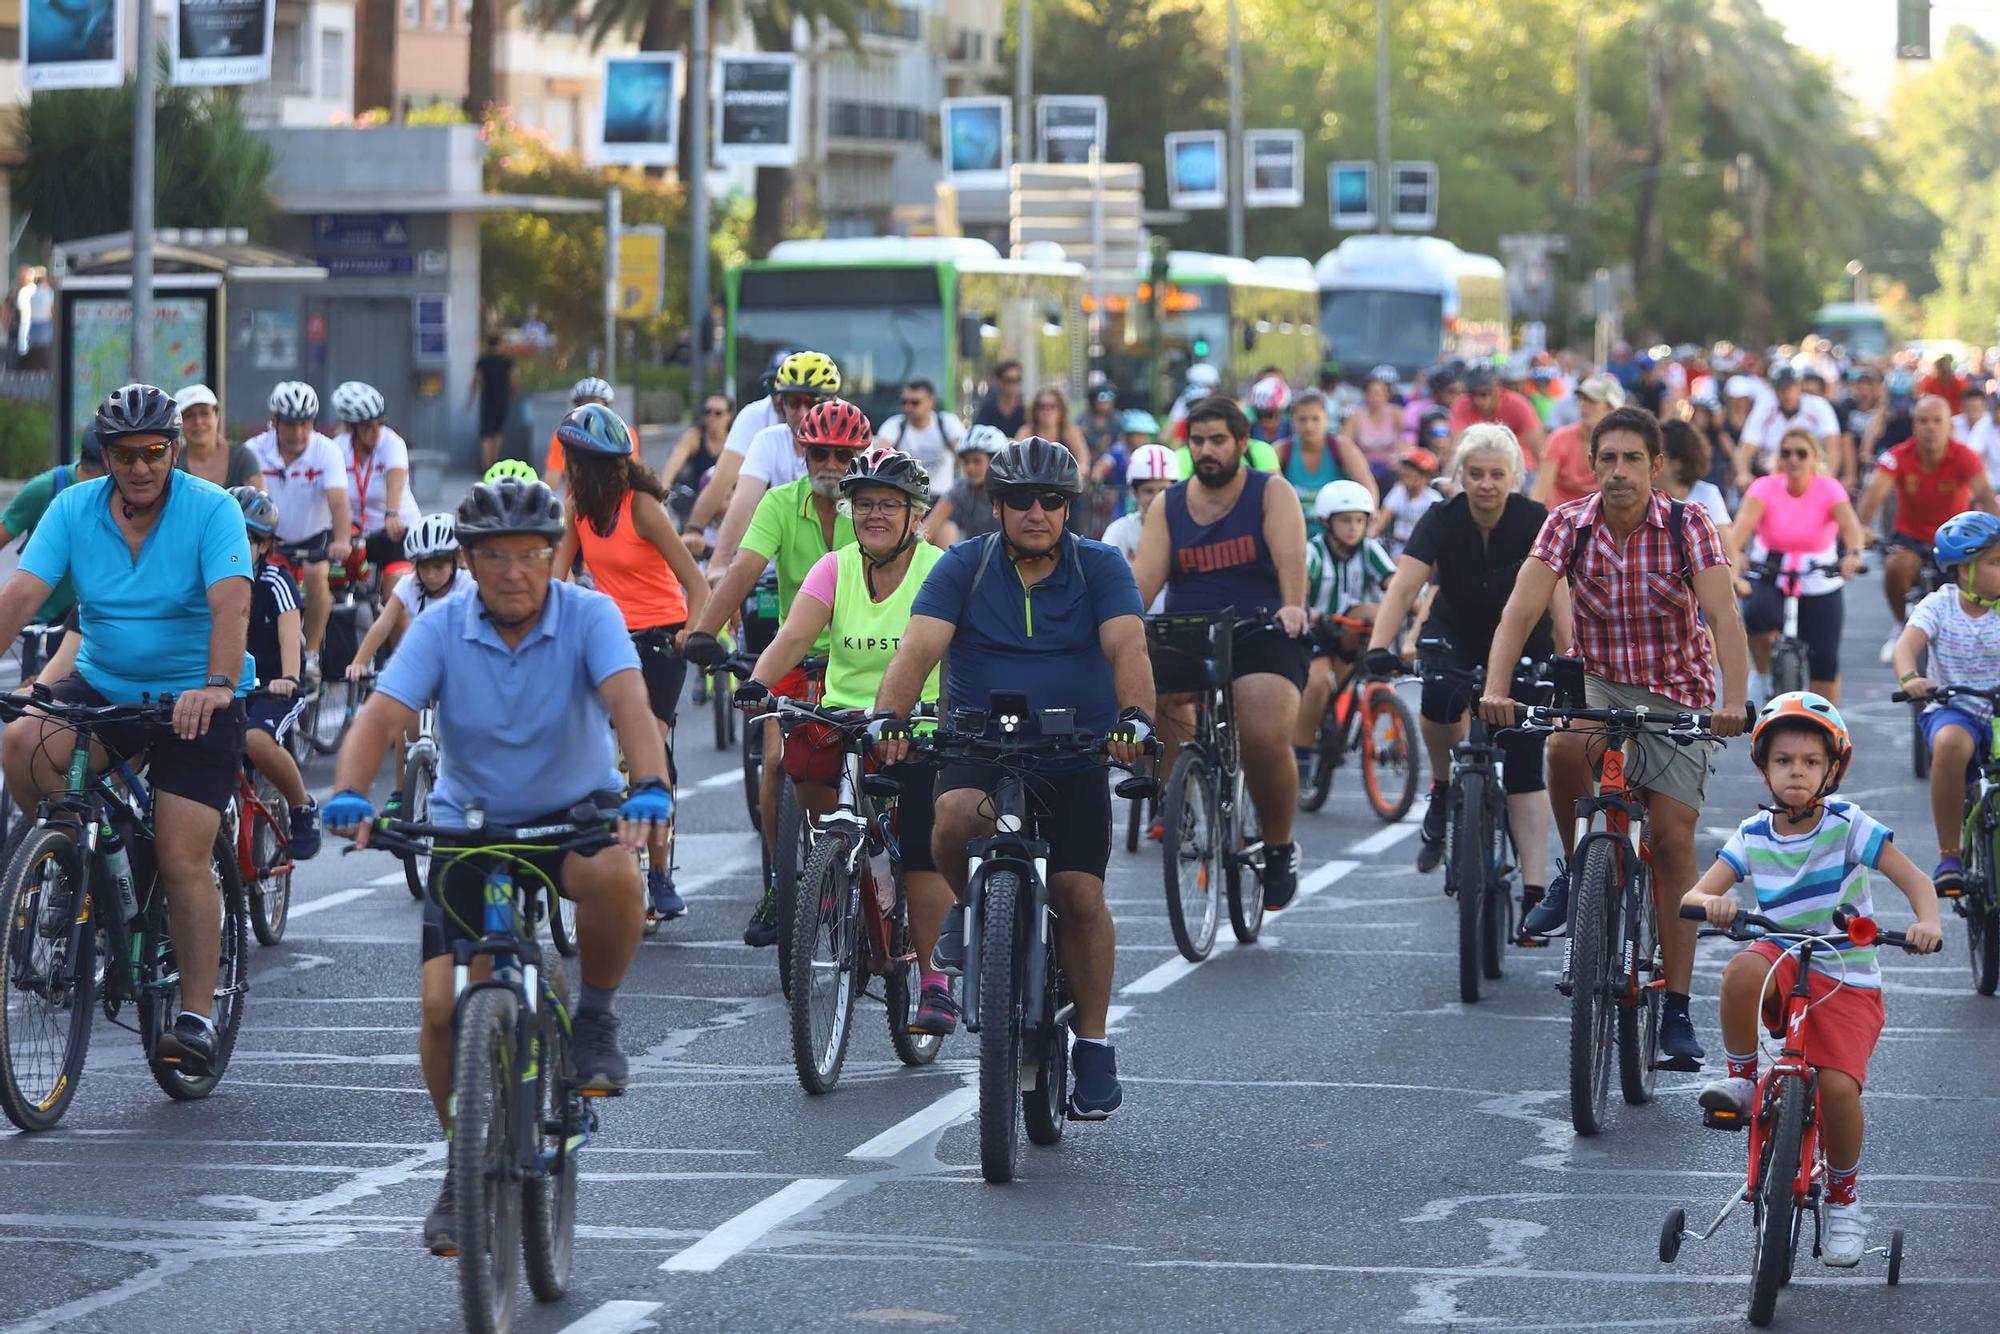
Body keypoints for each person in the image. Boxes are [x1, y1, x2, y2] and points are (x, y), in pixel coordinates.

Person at [325, 474, 670, 1256]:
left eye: (528, 554)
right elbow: (383, 716)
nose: (512, 571)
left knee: (618, 875)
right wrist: (349, 792)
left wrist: (647, 787)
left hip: (573, 815)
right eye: (493, 556)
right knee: (446, 1009)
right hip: (470, 830)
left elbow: (629, 705)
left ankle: (595, 1018)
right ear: (469, 562)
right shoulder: (442, 626)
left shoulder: (591, 615)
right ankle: (463, 1159)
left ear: (553, 556)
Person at [871, 436, 1156, 1120]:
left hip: (1076, 751)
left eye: (1052, 501)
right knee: (949, 819)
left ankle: (1091, 1042)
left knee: (1079, 896)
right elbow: (917, 650)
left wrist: (1136, 720)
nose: (1037, 512)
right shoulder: (963, 568)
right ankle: (973, 911)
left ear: (1070, 509)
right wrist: (890, 720)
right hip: (980, 745)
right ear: (995, 507)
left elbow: (1128, 646)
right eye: (1021, 500)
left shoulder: (1102, 568)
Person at [1480, 406, 1751, 1066]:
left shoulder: (1689, 525)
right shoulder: (1568, 523)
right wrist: (1496, 689)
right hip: (1598, 683)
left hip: (1676, 692)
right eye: (1608, 459)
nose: (1620, 472)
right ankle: (1577, 869)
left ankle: (1678, 1011)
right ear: (1591, 465)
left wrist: (1734, 702)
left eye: (1633, 460)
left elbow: (1724, 614)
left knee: (1674, 840)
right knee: (1563, 744)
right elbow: (1522, 607)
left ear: (1656, 468)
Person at [0, 384, 254, 1076]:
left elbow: (231, 608)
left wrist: (217, 686)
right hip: (107, 686)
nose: (140, 466)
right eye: (124, 453)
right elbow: (20, 596)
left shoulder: (213, 509)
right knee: (21, 739)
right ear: (104, 454)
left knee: (179, 855)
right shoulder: (73, 508)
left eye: (154, 451)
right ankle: (74, 861)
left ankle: (197, 1015)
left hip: (197, 698)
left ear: (174, 450)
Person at [1682, 692, 1941, 1268]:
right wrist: (1712, 904)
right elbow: (1696, 893)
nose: (1795, 771)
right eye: (1782, 761)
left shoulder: (1849, 826)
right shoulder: (1753, 834)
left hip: (1844, 971)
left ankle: (1845, 1199)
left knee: (1838, 1090)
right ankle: (1744, 1079)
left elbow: (1916, 880)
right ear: (1763, 768)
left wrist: (1927, 920)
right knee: (1739, 972)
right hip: (1780, 954)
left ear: (1832, 770)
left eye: (1809, 762)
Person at [740, 446, 957, 1031]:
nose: (874, 515)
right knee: (803, 765)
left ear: (916, 515)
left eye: (890, 504)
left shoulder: (939, 570)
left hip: (919, 723)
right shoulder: (833, 567)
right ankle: (838, 876)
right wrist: (758, 683)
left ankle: (934, 978)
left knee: (919, 844)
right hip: (844, 720)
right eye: (864, 505)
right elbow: (792, 637)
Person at [682, 399, 864, 945]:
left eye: (843, 453)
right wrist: (703, 632)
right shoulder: (781, 503)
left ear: (858, 455)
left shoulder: (875, 509)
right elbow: (744, 567)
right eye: (819, 453)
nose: (831, 463)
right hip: (793, 650)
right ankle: (783, 880)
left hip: (858, 658)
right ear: (802, 453)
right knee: (778, 765)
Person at [1365, 424, 1567, 906]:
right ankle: (1440, 787)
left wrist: (1572, 656)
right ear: (1459, 475)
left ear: (1515, 477)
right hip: (1454, 630)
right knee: (1435, 693)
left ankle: (1535, 890)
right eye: (1475, 473)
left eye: (1497, 474)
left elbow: (1560, 593)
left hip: (1522, 640)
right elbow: (1404, 585)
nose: (1486, 484)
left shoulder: (1536, 518)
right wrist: (1379, 645)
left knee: (1523, 761)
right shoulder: (1440, 517)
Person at [1135, 395, 1309, 908]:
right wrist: (1120, 627)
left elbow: (1291, 559)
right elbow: (1143, 580)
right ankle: (1178, 796)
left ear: (1241, 444)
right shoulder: (1169, 504)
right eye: (1198, 442)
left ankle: (1278, 847)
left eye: (1218, 441)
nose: (1207, 451)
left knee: (1260, 734)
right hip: (1192, 631)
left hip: (1263, 631)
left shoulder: (1270, 492)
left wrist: (1294, 606)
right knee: (1154, 688)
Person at [550, 404, 709, 930]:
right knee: (597, 751)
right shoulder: (576, 507)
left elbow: (697, 584)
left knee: (647, 752)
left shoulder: (641, 507)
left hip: (663, 639)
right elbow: (557, 581)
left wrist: (692, 634)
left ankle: (659, 874)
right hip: (610, 639)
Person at [1891, 510, 2000, 894]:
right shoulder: (1941, 605)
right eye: (1995, 562)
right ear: (1964, 571)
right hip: (1956, 707)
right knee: (1951, 745)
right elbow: (1906, 647)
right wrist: (1911, 678)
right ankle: (1950, 854)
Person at [1726, 426, 1868, 703]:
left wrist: (1852, 554)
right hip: (1771, 569)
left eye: (1801, 454)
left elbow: (1851, 528)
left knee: (1825, 661)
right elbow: (1739, 530)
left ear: (1814, 458)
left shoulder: (1828, 487)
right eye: (1786, 453)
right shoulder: (1764, 486)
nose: (1793, 459)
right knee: (1755, 612)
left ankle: (1826, 724)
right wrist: (1737, 553)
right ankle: (1764, 673)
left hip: (1819, 574)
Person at [1856, 395, 1997, 662]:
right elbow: (1874, 494)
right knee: (1895, 566)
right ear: (1914, 426)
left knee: (1981, 582)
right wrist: (1860, 528)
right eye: (1922, 421)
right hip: (1910, 539)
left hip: (1956, 542)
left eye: (1936, 421)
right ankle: (1900, 625)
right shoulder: (1898, 456)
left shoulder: (1964, 456)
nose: (1930, 427)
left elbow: (1986, 498)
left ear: (1949, 426)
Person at [344, 514, 467, 809]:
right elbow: (383, 625)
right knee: (407, 721)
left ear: (455, 562)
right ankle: (401, 792)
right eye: (424, 567)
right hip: (424, 664)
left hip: (460, 665)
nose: (432, 575)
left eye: (439, 566)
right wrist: (359, 661)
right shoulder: (409, 586)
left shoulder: (469, 585)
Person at [230, 486, 320, 859]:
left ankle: (302, 807)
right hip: (225, 688)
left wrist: (289, 677)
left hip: (271, 689)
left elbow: (288, 634)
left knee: (257, 741)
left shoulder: (275, 582)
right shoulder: (206, 581)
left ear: (265, 546)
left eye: (246, 538)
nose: (233, 545)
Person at [694, 351, 842, 571]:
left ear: (833, 402)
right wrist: (720, 562)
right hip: (775, 559)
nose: (802, 412)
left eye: (812, 401)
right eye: (793, 401)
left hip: (837, 562)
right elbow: (743, 503)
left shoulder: (852, 437)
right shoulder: (767, 440)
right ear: (780, 402)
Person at [244, 382, 351, 675]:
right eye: (291, 425)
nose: (299, 433)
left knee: (318, 574)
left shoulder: (326, 450)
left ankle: (312, 652)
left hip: (314, 536)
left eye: (305, 424)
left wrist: (342, 540)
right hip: (271, 538)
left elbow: (339, 503)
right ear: (275, 422)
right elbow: (254, 497)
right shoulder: (254, 449)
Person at [1293, 480, 1393, 781]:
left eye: (1360, 521)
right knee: (1319, 683)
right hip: (1317, 630)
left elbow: (1396, 584)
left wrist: (1418, 606)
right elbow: (1299, 589)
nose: (1353, 527)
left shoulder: (1369, 549)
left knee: (1375, 612)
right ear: (1326, 522)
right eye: (1345, 520)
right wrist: (1305, 610)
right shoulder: (1314, 552)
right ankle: (1301, 753)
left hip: (1350, 630)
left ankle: (1375, 688)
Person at [0, 429, 108, 650]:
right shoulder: (44, 489)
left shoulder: (125, 496)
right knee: (32, 684)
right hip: (41, 621)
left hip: (88, 619)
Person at [679, 350, 796, 547]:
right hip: (764, 537)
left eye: (790, 393)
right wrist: (695, 529)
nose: (778, 398)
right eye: (773, 387)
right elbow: (724, 483)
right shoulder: (755, 418)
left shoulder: (835, 418)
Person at [331, 381, 421, 601]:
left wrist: (392, 514)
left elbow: (395, 480)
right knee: (330, 582)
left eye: (379, 424)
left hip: (396, 532)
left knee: (396, 590)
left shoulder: (392, 443)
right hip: (355, 536)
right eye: (367, 426)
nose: (376, 431)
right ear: (352, 427)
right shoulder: (337, 448)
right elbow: (331, 493)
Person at [1736, 364, 1846, 489]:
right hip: (1771, 475)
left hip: (1811, 475)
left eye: (1790, 387)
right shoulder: (1765, 406)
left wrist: (1827, 481)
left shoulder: (1819, 406)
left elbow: (1833, 447)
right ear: (1775, 390)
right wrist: (1743, 474)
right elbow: (1746, 447)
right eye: (1781, 388)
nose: (1787, 393)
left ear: (1799, 387)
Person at [1530, 373, 1623, 509]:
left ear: (1611, 407)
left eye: (1592, 401)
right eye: (1581, 399)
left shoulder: (1622, 445)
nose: (1583, 405)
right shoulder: (1560, 439)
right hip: (1562, 521)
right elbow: (1540, 491)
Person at [1273, 389, 1371, 509]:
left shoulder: (1342, 447)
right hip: (1293, 525)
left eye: (1315, 419)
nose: (1309, 426)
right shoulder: (1280, 451)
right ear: (1293, 421)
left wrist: (1370, 517)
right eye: (1302, 419)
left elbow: (1368, 485)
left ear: (1326, 419)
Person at [1018, 387, 1094, 531]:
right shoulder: (1026, 431)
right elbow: (1016, 461)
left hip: (1066, 494)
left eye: (1052, 406)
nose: (1047, 411)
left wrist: (1075, 476)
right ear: (1034, 410)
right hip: (1033, 494)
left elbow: (1084, 460)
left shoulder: (1071, 432)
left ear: (1061, 410)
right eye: (1042, 406)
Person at [1449, 362, 1544, 472]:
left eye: (1485, 393)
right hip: (1476, 465)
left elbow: (1538, 448)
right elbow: (1456, 446)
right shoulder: (1461, 405)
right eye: (1473, 393)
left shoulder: (1519, 405)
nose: (1478, 400)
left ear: (1497, 388)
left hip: (1517, 466)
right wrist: (1450, 476)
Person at [874, 378, 965, 493]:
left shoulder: (946, 422)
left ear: (931, 402)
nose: (908, 407)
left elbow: (964, 453)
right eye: (904, 402)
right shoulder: (895, 424)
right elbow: (878, 455)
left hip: (944, 498)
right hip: (910, 499)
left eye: (915, 403)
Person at [925, 424, 1004, 545]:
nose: (970, 468)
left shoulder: (1008, 491)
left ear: (995, 462)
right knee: (946, 526)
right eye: (966, 462)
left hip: (1008, 556)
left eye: (976, 461)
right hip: (976, 556)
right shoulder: (962, 488)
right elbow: (928, 529)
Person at [1102, 443, 1179, 563]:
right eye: (1148, 491)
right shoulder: (1119, 532)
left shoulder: (1185, 530)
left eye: (1163, 490)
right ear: (1135, 494)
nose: (1157, 498)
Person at [173, 385, 260, 488]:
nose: (198, 421)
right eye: (189, 415)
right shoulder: (173, 463)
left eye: (205, 413)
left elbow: (259, 502)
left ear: (217, 414)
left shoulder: (242, 458)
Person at [542, 376, 616, 492]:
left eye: (596, 407)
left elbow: (629, 477)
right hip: (578, 504)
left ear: (607, 408)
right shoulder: (564, 436)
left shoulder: (623, 435)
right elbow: (551, 481)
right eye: (584, 407)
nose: (590, 414)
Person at [1341, 365, 1406, 492]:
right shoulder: (1356, 416)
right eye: (1371, 393)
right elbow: (1345, 442)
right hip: (1364, 467)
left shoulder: (1397, 413)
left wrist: (1398, 458)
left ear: (1387, 395)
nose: (1375, 397)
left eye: (1379, 393)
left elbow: (1407, 439)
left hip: (1391, 469)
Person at [1659, 418, 1732, 527]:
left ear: (1678, 463)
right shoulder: (1644, 497)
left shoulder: (1708, 494)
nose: (1651, 461)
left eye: (1657, 455)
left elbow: (1726, 544)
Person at [1372, 445, 1442, 556]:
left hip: (1425, 546)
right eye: (1406, 468)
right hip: (1399, 545)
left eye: (1414, 470)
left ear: (1426, 477)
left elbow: (1440, 530)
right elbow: (1380, 522)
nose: (1407, 473)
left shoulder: (1433, 498)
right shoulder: (1398, 492)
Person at [468, 333, 515, 471]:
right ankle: (494, 461)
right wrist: (512, 395)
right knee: (497, 432)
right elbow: (514, 380)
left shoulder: (483, 361)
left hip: (488, 400)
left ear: (488, 346)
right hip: (502, 399)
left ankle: (485, 462)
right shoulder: (506, 361)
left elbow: (476, 380)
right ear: (499, 345)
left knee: (486, 433)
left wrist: (471, 399)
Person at [972, 359, 1027, 437]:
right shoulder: (988, 408)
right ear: (998, 381)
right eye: (1009, 380)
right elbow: (977, 433)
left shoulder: (1026, 409)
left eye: (1017, 380)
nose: (1013, 385)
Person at [1081, 382, 1126, 455]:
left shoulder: (1119, 419)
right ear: (1093, 400)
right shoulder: (1083, 420)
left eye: (1110, 397)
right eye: (1102, 397)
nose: (1107, 402)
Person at [1247, 375, 1293, 446]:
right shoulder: (1249, 432)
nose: (1264, 420)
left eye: (1269, 414)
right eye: (1259, 414)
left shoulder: (1292, 431)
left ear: (1281, 412)